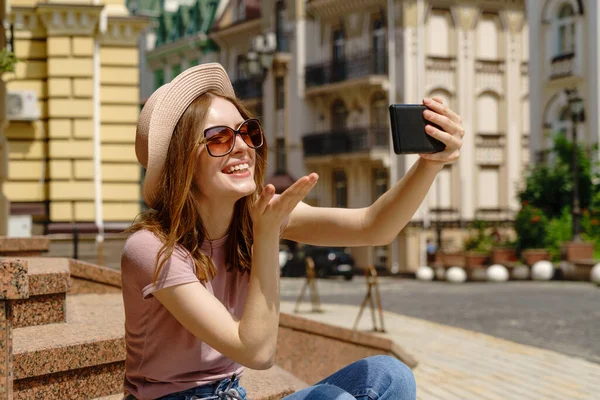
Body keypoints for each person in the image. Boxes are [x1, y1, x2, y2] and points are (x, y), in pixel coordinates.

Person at [121, 63, 464, 400]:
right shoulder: (153, 247)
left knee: (390, 375)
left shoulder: (253, 215)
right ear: (181, 160)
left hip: (232, 395)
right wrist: (266, 237)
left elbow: (374, 227)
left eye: (247, 132)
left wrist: (429, 163)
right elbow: (255, 352)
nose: (242, 147)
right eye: (219, 138)